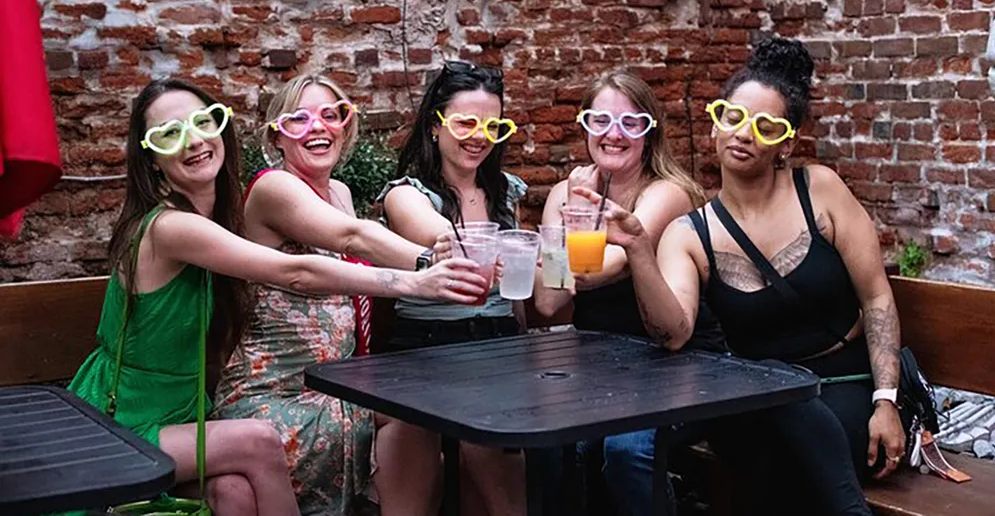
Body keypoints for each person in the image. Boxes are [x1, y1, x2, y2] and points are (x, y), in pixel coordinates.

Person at [67, 78, 488, 516]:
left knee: (235, 489)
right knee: (259, 440)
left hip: (190, 411)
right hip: (129, 419)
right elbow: (298, 271)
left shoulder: (219, 216)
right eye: (170, 133)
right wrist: (421, 274)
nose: (193, 140)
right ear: (151, 158)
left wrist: (431, 262)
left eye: (202, 122)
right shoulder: (173, 226)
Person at [573, 38, 906, 516]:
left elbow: (876, 298)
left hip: (843, 383)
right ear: (715, 127)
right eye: (733, 117)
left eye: (764, 125)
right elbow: (674, 333)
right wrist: (639, 251)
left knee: (792, 420)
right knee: (767, 425)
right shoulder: (692, 233)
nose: (744, 133)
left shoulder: (821, 190)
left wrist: (887, 400)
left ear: (786, 142)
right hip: (754, 391)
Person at [213, 74, 461, 516]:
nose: (319, 128)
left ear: (346, 128)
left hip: (337, 388)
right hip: (274, 395)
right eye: (300, 119)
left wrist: (453, 257)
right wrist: (429, 262)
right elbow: (353, 237)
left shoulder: (341, 193)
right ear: (277, 135)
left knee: (418, 421)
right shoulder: (273, 187)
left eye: (332, 115)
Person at [531, 69, 716, 516]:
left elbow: (601, 270)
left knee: (626, 450)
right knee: (553, 443)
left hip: (676, 361)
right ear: (585, 126)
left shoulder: (666, 194)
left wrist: (569, 226)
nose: (614, 135)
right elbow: (550, 302)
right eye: (602, 121)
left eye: (630, 124)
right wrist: (570, 212)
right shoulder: (565, 192)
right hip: (603, 365)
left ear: (649, 135)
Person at [376, 60, 527, 516]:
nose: (479, 135)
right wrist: (477, 247)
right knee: (435, 439)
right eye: (466, 122)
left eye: (492, 125)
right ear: (436, 126)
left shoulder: (507, 194)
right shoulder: (408, 194)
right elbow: (440, 238)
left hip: (500, 345)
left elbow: (527, 297)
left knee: (493, 456)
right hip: (426, 349)